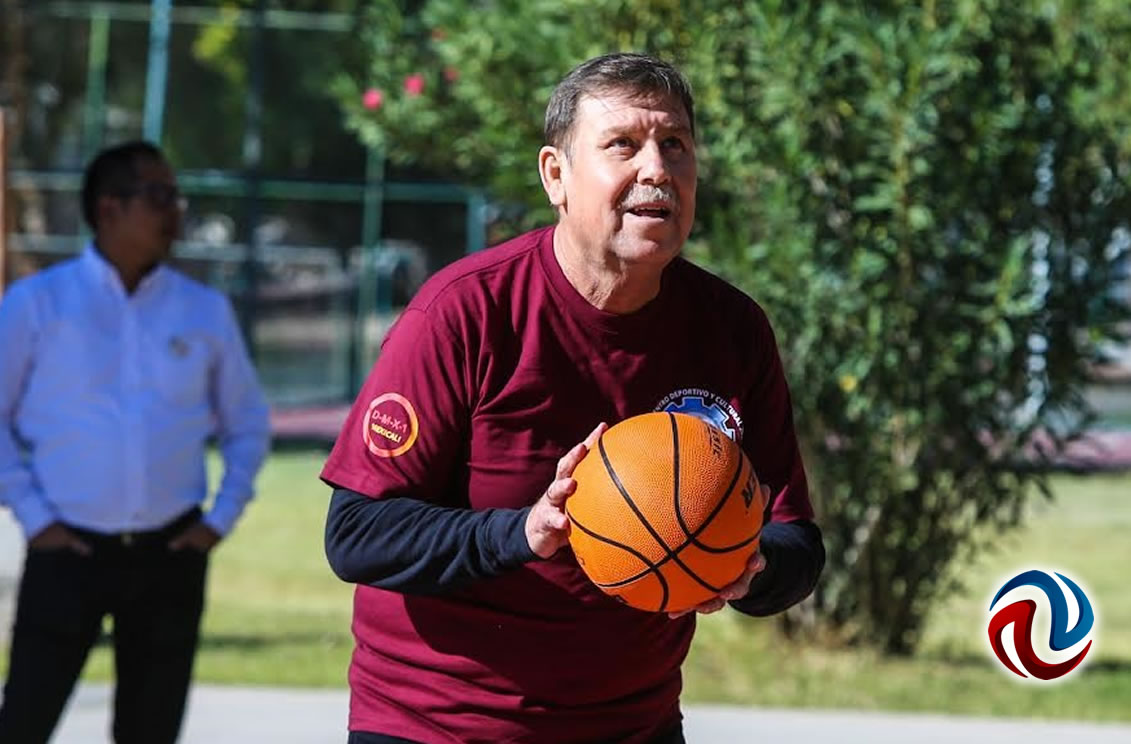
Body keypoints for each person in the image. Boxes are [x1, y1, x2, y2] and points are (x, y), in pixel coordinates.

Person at [321, 53, 825, 744]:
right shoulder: (463, 313)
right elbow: (356, 534)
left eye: (674, 144)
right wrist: (521, 532)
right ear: (555, 176)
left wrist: (751, 567)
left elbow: (795, 538)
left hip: (631, 723)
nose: (655, 168)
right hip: (438, 725)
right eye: (622, 144)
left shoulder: (731, 329)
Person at [0, 141, 271, 744]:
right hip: (65, 553)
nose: (176, 210)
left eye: (176, 195)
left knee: (150, 731)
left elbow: (247, 423)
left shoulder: (203, 309)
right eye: (159, 196)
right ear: (109, 208)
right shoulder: (37, 303)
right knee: (23, 720)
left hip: (169, 555)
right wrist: (35, 516)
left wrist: (217, 521)